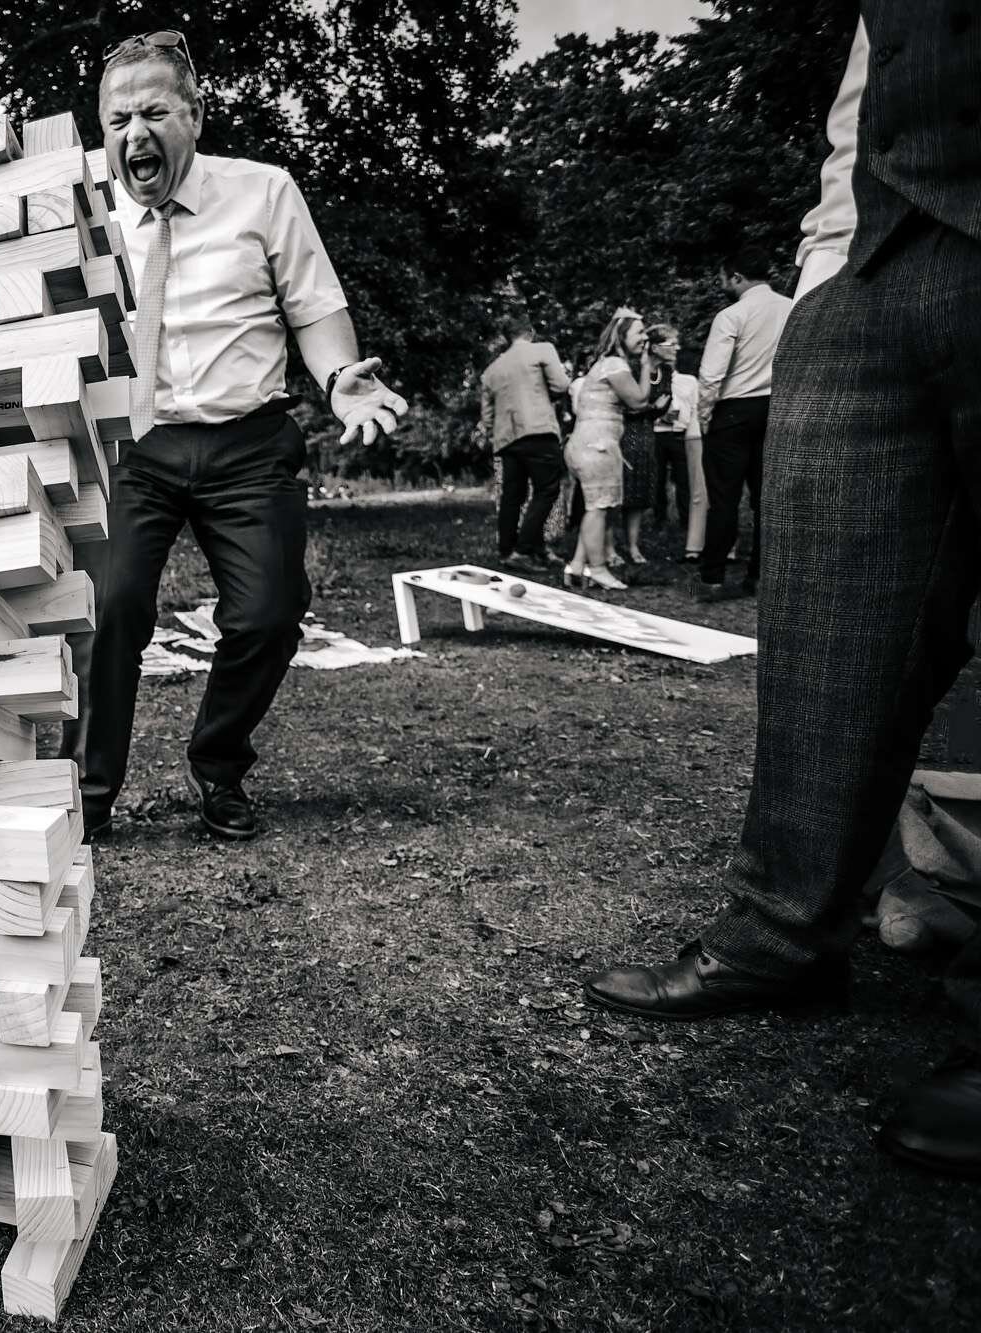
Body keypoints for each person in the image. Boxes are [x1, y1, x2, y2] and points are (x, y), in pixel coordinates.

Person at [582, 6, 981, 1178]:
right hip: (875, 244)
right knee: (824, 613)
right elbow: (881, 56)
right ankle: (785, 929)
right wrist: (826, 259)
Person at [80, 30, 407, 841]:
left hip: (249, 445)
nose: (134, 134)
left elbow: (315, 307)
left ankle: (218, 763)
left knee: (266, 614)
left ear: (194, 114)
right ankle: (88, 790)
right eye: (117, 119)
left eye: (155, 111)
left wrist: (338, 380)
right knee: (109, 605)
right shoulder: (80, 207)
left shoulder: (263, 192)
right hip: (134, 448)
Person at [695, 243, 792, 601]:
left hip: (733, 410)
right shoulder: (793, 309)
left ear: (737, 277)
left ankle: (712, 577)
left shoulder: (732, 316)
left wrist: (704, 416)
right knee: (766, 499)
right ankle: (760, 576)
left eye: (723, 279)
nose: (722, 285)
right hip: (777, 408)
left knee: (724, 497)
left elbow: (711, 375)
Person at [560, 310, 654, 591]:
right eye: (639, 332)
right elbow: (638, 401)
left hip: (585, 443)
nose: (645, 337)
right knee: (599, 508)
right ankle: (598, 569)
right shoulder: (614, 364)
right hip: (597, 446)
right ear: (621, 335)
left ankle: (576, 566)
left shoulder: (605, 364)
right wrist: (648, 365)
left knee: (596, 507)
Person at [478, 311, 571, 573]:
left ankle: (508, 550)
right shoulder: (542, 350)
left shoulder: (491, 371)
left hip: (506, 439)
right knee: (547, 490)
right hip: (538, 429)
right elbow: (562, 385)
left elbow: (487, 417)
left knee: (512, 496)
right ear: (530, 332)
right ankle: (524, 549)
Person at [646, 324, 707, 561]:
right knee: (657, 478)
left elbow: (693, 408)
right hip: (658, 431)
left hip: (680, 435)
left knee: (684, 480)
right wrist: (662, 415)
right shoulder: (655, 376)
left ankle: (685, 520)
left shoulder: (688, 381)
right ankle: (658, 518)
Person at [616, 328, 674, 566]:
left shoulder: (666, 371)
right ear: (656, 346)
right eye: (672, 343)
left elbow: (665, 404)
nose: (676, 348)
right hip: (625, 433)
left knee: (640, 491)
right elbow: (627, 406)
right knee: (620, 490)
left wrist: (649, 408)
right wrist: (650, 408)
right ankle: (610, 546)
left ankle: (633, 545)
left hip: (647, 435)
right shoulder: (632, 367)